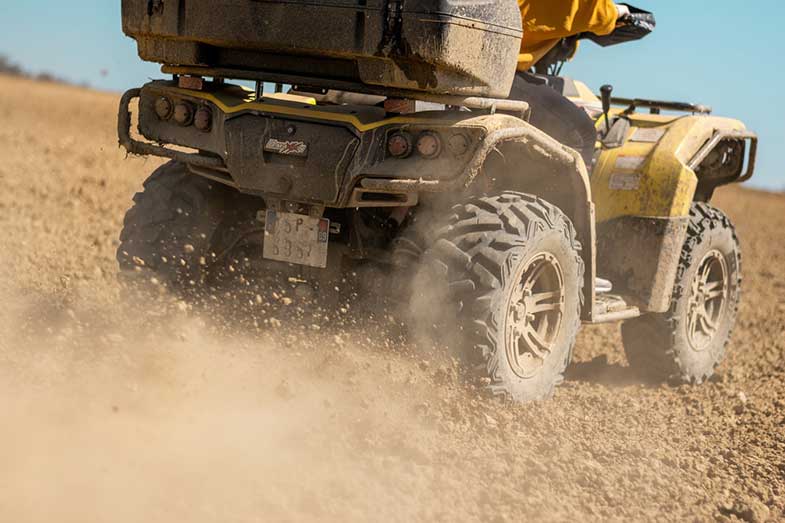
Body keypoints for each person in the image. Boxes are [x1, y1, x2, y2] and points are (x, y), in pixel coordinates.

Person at [510, 0, 633, 169]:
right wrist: (615, 13)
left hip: (469, 69)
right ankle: (558, 196)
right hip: (494, 74)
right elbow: (578, 6)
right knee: (581, 133)